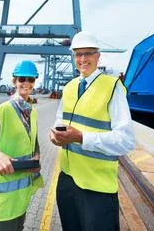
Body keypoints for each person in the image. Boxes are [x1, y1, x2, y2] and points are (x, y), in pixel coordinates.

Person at [50, 31, 135, 231]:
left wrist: (82, 138)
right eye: (78, 54)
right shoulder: (70, 87)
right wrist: (55, 134)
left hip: (97, 188)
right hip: (67, 181)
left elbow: (126, 140)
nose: (83, 59)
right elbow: (59, 119)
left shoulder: (112, 87)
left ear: (98, 56)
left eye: (88, 53)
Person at [0, 60, 43, 231]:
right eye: (22, 79)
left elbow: (33, 141)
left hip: (20, 196)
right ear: (15, 81)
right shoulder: (3, 110)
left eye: (31, 79)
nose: (27, 83)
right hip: (1, 199)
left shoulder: (32, 111)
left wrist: (36, 157)